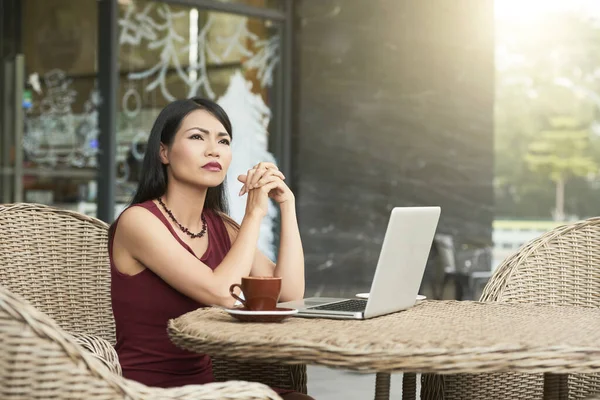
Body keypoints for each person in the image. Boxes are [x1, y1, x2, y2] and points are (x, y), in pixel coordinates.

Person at [109, 97, 312, 399]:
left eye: (223, 140)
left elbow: (289, 293)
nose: (213, 150)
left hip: (206, 390)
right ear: (163, 152)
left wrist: (287, 205)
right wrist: (254, 213)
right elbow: (221, 293)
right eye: (196, 137)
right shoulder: (138, 221)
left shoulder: (220, 226)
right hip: (146, 392)